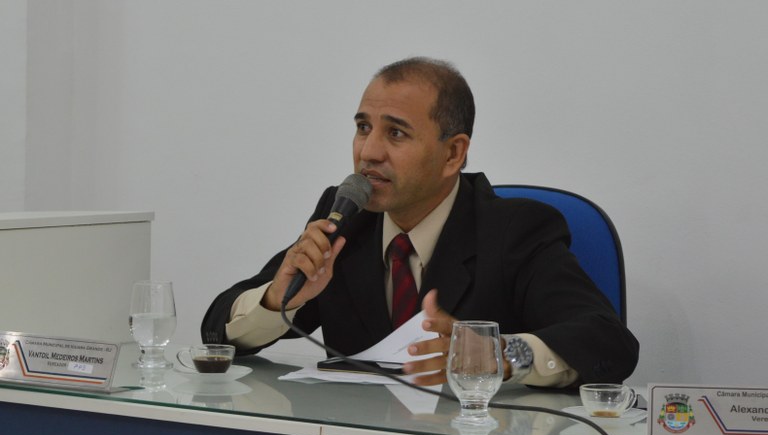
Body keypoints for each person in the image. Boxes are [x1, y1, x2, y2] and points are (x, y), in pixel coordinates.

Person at [201, 57, 639, 388]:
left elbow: (609, 343)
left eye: (396, 133)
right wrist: (277, 299)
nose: (368, 152)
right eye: (363, 127)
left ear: (453, 154)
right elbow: (216, 329)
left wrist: (501, 355)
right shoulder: (345, 218)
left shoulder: (515, 230)